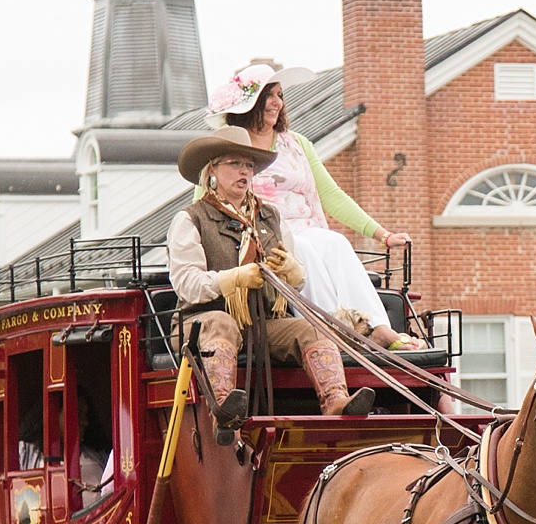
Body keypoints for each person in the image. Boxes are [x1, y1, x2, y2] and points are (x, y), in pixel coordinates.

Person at [166, 132, 376, 429]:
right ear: (211, 170)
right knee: (222, 323)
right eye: (235, 163)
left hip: (260, 324)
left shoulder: (269, 216)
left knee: (311, 327)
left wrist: (291, 270)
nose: (244, 172)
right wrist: (234, 278)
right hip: (200, 324)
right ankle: (224, 410)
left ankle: (336, 402)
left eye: (249, 166)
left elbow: (298, 280)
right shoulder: (190, 218)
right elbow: (187, 284)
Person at [207, 63, 418, 348]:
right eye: (267, 95)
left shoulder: (297, 144)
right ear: (248, 104)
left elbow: (331, 195)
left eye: (279, 95)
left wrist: (383, 235)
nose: (276, 102)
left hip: (305, 228)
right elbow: (204, 205)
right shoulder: (226, 147)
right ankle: (333, 331)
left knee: (335, 242)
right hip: (258, 238)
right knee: (301, 250)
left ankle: (377, 329)